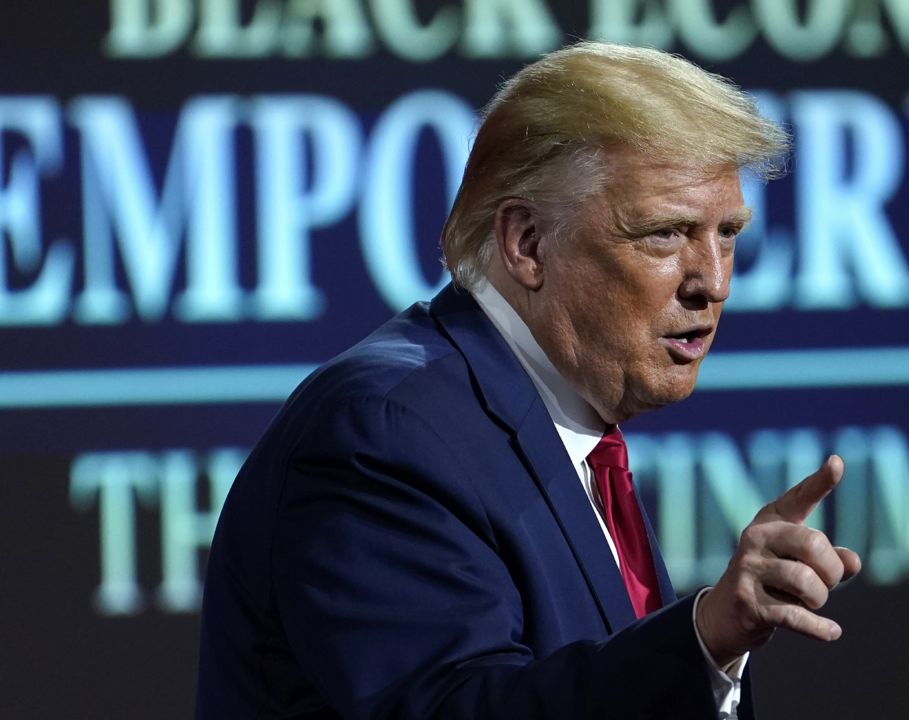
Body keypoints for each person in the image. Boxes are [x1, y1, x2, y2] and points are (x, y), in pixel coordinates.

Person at [196, 41, 861, 719]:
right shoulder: (386, 433)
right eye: (666, 234)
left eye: (727, 234)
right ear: (528, 244)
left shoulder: (566, 427)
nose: (713, 282)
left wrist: (706, 653)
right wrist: (701, 638)